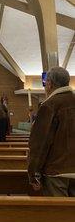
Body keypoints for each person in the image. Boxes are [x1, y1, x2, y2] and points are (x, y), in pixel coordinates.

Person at [28, 67, 75, 197]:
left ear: (49, 84)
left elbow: (40, 143)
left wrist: (33, 173)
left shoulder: (49, 105)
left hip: (57, 171)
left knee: (59, 215)